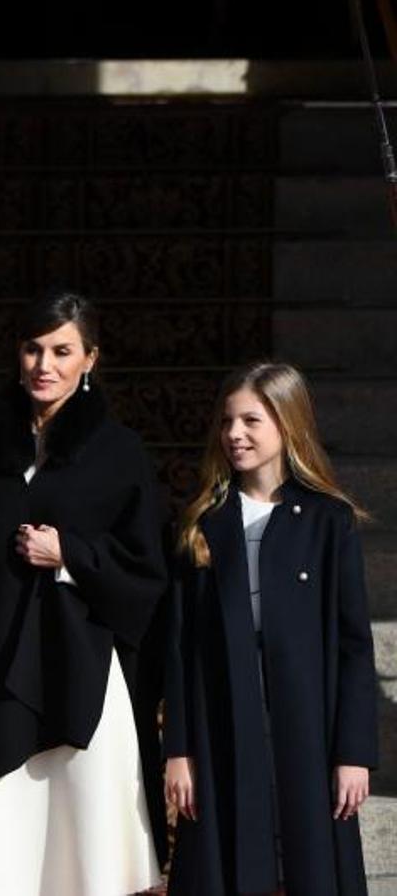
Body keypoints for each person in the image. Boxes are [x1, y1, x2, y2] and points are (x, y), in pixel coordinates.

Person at [0, 291, 165, 896]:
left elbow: (148, 572)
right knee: (7, 854)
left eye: (61, 351)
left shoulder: (120, 453)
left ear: (90, 359)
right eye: (33, 348)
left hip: (87, 681)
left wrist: (71, 556)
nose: (44, 364)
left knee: (89, 855)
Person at [163, 362, 378, 895]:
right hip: (222, 717)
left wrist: (354, 752)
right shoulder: (202, 524)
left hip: (308, 721)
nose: (234, 434)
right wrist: (178, 749)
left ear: (287, 423)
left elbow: (354, 645)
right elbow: (181, 645)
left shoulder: (329, 521)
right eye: (228, 422)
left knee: (308, 861)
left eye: (251, 421)